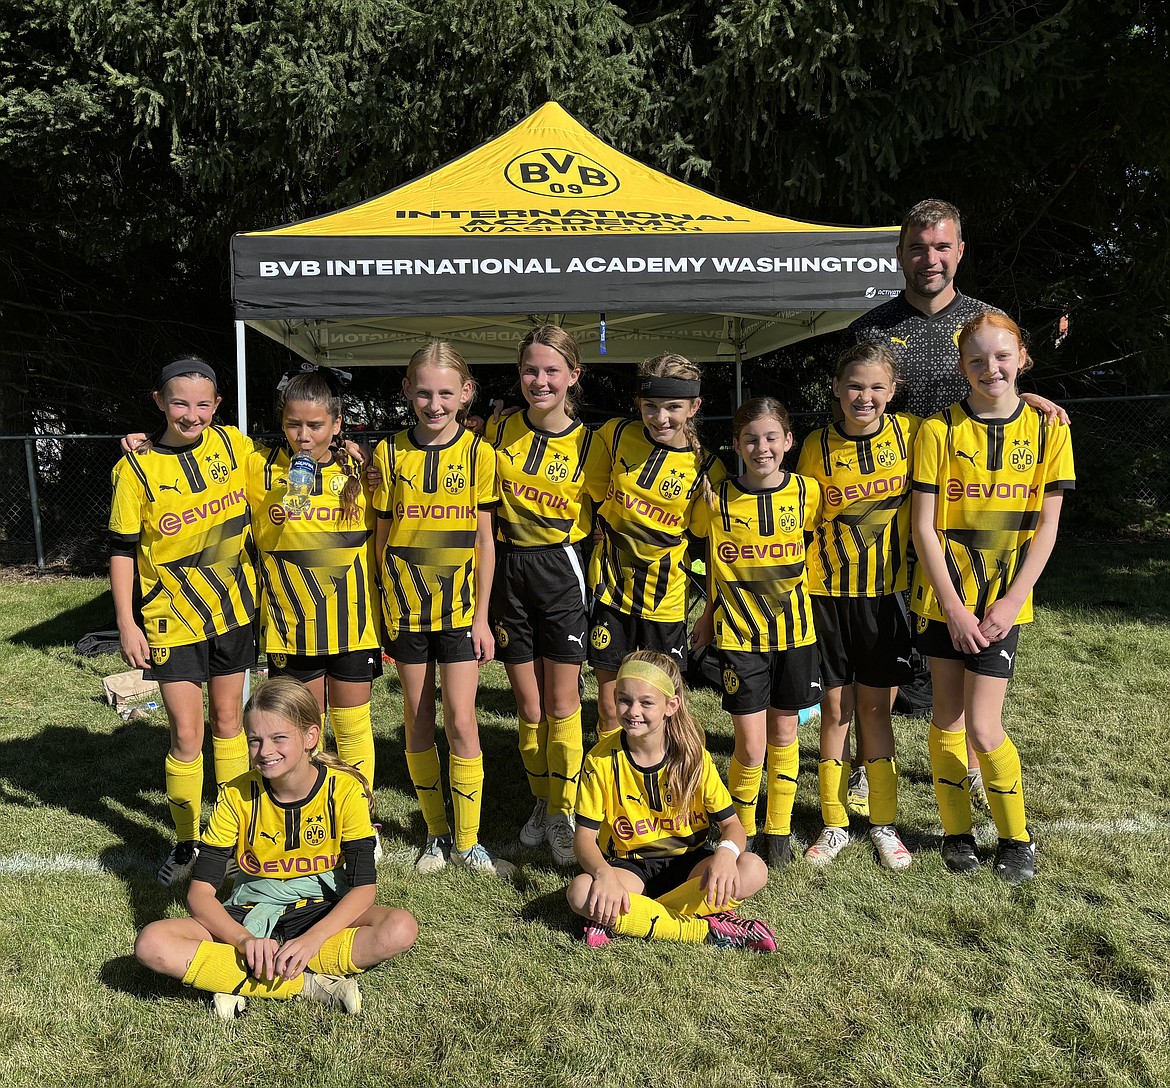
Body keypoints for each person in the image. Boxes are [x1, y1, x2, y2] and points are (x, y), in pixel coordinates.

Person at [847, 197, 1068, 814]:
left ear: (960, 251)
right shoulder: (870, 329)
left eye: (942, 246)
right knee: (885, 647)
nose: (930, 258)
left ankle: (971, 764)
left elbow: (1001, 384)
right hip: (889, 510)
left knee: (964, 653)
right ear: (901, 253)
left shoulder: (983, 320)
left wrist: (1038, 400)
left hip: (967, 515)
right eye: (918, 247)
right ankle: (874, 765)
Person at [133, 677, 417, 1018]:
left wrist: (313, 938)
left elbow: (363, 890)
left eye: (279, 738)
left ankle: (238, 975)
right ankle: (307, 983)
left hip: (323, 906)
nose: (265, 751)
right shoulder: (236, 794)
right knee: (152, 944)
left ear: (310, 736)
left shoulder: (344, 791)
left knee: (400, 928)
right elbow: (200, 895)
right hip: (252, 908)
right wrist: (244, 942)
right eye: (255, 740)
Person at [911, 313, 1074, 883]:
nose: (991, 369)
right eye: (976, 360)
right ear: (961, 366)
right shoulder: (937, 432)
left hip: (1002, 605)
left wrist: (1008, 603)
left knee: (985, 728)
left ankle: (1016, 839)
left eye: (1002, 357)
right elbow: (924, 528)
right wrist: (953, 608)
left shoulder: (1050, 429)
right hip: (943, 603)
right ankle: (956, 833)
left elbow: (1048, 529)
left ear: (1022, 358)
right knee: (946, 720)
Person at [110, 356, 258, 886]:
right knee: (187, 734)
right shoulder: (136, 467)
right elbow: (123, 550)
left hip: (235, 611)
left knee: (229, 724)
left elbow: (295, 464)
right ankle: (186, 842)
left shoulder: (235, 447)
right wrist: (127, 622)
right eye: (179, 403)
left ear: (217, 405)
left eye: (202, 404)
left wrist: (348, 453)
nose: (191, 414)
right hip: (172, 620)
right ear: (158, 402)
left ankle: (238, 833)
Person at [372, 341, 513, 878]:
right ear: (407, 391)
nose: (435, 404)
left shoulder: (481, 455)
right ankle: (434, 832)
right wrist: (381, 605)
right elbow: (381, 538)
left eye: (446, 393)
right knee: (417, 716)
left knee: (461, 718)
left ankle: (467, 840)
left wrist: (481, 617)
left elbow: (484, 540)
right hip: (405, 612)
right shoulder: (389, 454)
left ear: (466, 394)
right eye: (424, 392)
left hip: (459, 613)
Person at [490, 326, 609, 865]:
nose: (540, 380)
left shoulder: (591, 443)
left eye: (551, 371)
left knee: (561, 704)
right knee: (528, 704)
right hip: (507, 567)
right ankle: (542, 802)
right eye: (531, 370)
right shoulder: (498, 429)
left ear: (573, 377)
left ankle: (564, 810)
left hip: (560, 568)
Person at [796, 343, 917, 870]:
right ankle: (833, 823)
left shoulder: (913, 435)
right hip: (826, 595)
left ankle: (884, 824)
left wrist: (1029, 396)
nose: (864, 396)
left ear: (892, 392)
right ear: (837, 390)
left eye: (875, 387)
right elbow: (796, 513)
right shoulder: (815, 445)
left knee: (876, 710)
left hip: (886, 595)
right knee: (835, 710)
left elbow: (981, 417)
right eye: (854, 386)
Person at [566, 651, 776, 950]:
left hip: (691, 864)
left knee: (753, 867)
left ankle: (630, 917)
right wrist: (603, 875)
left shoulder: (693, 758)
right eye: (624, 699)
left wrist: (727, 855)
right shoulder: (600, 761)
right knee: (580, 891)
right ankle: (706, 929)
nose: (632, 710)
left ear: (671, 705)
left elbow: (732, 825)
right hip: (630, 867)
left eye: (646, 702)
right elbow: (584, 839)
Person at [690, 398, 822, 869]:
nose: (761, 447)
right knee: (750, 745)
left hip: (796, 636)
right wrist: (707, 613)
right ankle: (738, 832)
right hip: (740, 638)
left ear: (788, 441)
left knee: (785, 735)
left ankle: (779, 831)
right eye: (750, 438)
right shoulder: (716, 499)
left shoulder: (808, 493)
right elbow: (713, 561)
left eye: (771, 437)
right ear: (736, 444)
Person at [246, 368, 381, 794]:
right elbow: (200, 448)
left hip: (354, 626)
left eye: (315, 425)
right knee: (301, 728)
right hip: (291, 628)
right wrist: (147, 443)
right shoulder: (257, 469)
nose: (303, 435)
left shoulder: (361, 475)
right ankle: (305, 807)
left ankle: (360, 816)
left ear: (337, 425)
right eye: (293, 424)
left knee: (354, 727)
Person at [587, 354, 726, 742]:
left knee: (659, 706)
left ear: (694, 407)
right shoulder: (614, 435)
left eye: (673, 407)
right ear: (638, 404)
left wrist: (710, 611)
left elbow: (710, 548)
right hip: (610, 593)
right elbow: (590, 492)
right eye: (650, 406)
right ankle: (610, 785)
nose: (660, 417)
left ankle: (662, 785)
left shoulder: (707, 471)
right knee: (609, 703)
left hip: (662, 604)